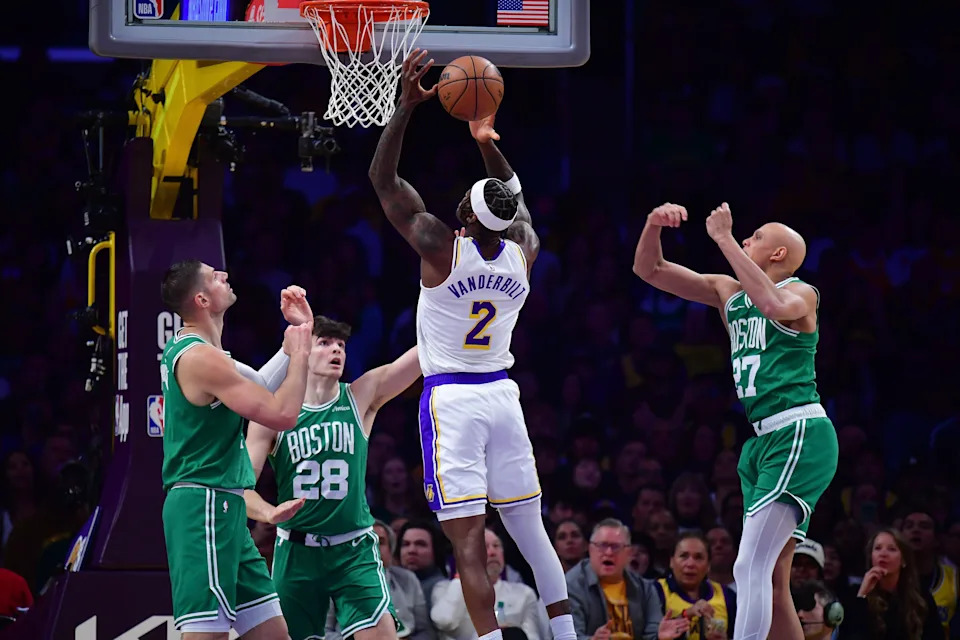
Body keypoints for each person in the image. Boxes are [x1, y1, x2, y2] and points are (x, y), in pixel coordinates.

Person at [368, 49, 575, 640]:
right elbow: (517, 198)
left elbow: (384, 181)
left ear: (463, 214)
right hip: (503, 396)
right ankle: (566, 635)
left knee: (467, 543)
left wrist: (406, 108)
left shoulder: (441, 248)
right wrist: (486, 141)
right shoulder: (525, 250)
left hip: (453, 401)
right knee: (532, 533)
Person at [632, 203, 839, 640]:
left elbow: (773, 304)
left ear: (778, 254)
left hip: (797, 431)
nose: (746, 238)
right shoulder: (727, 291)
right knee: (773, 578)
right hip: (764, 439)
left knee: (748, 566)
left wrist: (723, 238)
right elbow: (650, 270)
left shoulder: (802, 292)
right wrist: (652, 225)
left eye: (756, 236)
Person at [159, 260, 313, 639]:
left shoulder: (203, 352)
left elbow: (258, 383)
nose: (225, 276)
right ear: (202, 300)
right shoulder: (201, 359)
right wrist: (301, 354)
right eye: (215, 276)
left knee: (272, 634)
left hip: (226, 506)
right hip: (203, 507)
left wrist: (298, 334)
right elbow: (282, 414)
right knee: (206, 634)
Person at [244, 315, 422, 640]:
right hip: (296, 550)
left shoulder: (359, 395)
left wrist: (446, 310)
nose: (336, 350)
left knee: (382, 636)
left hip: (352, 548)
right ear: (302, 352)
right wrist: (269, 512)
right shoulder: (274, 413)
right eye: (324, 343)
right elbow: (240, 489)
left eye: (341, 344)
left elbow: (418, 358)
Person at [565, 518, 689, 640]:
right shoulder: (571, 586)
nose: (608, 552)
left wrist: (659, 637)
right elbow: (568, 636)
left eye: (615, 547)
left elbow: (652, 633)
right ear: (590, 549)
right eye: (602, 545)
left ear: (628, 552)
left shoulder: (645, 589)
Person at [431, 529, 543, 640]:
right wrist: (461, 577)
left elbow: (533, 637)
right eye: (483, 547)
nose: (492, 552)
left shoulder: (524, 594)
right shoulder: (444, 589)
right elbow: (444, 621)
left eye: (496, 546)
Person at [843, 528, 942, 640]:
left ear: (904, 560)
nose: (883, 554)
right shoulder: (853, 595)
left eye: (891, 549)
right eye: (878, 548)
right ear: (871, 557)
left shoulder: (921, 598)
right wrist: (862, 596)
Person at [655, 533, 736, 640]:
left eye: (698, 557)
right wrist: (686, 614)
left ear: (708, 565)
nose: (690, 564)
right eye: (684, 556)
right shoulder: (656, 591)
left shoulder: (727, 596)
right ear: (671, 561)